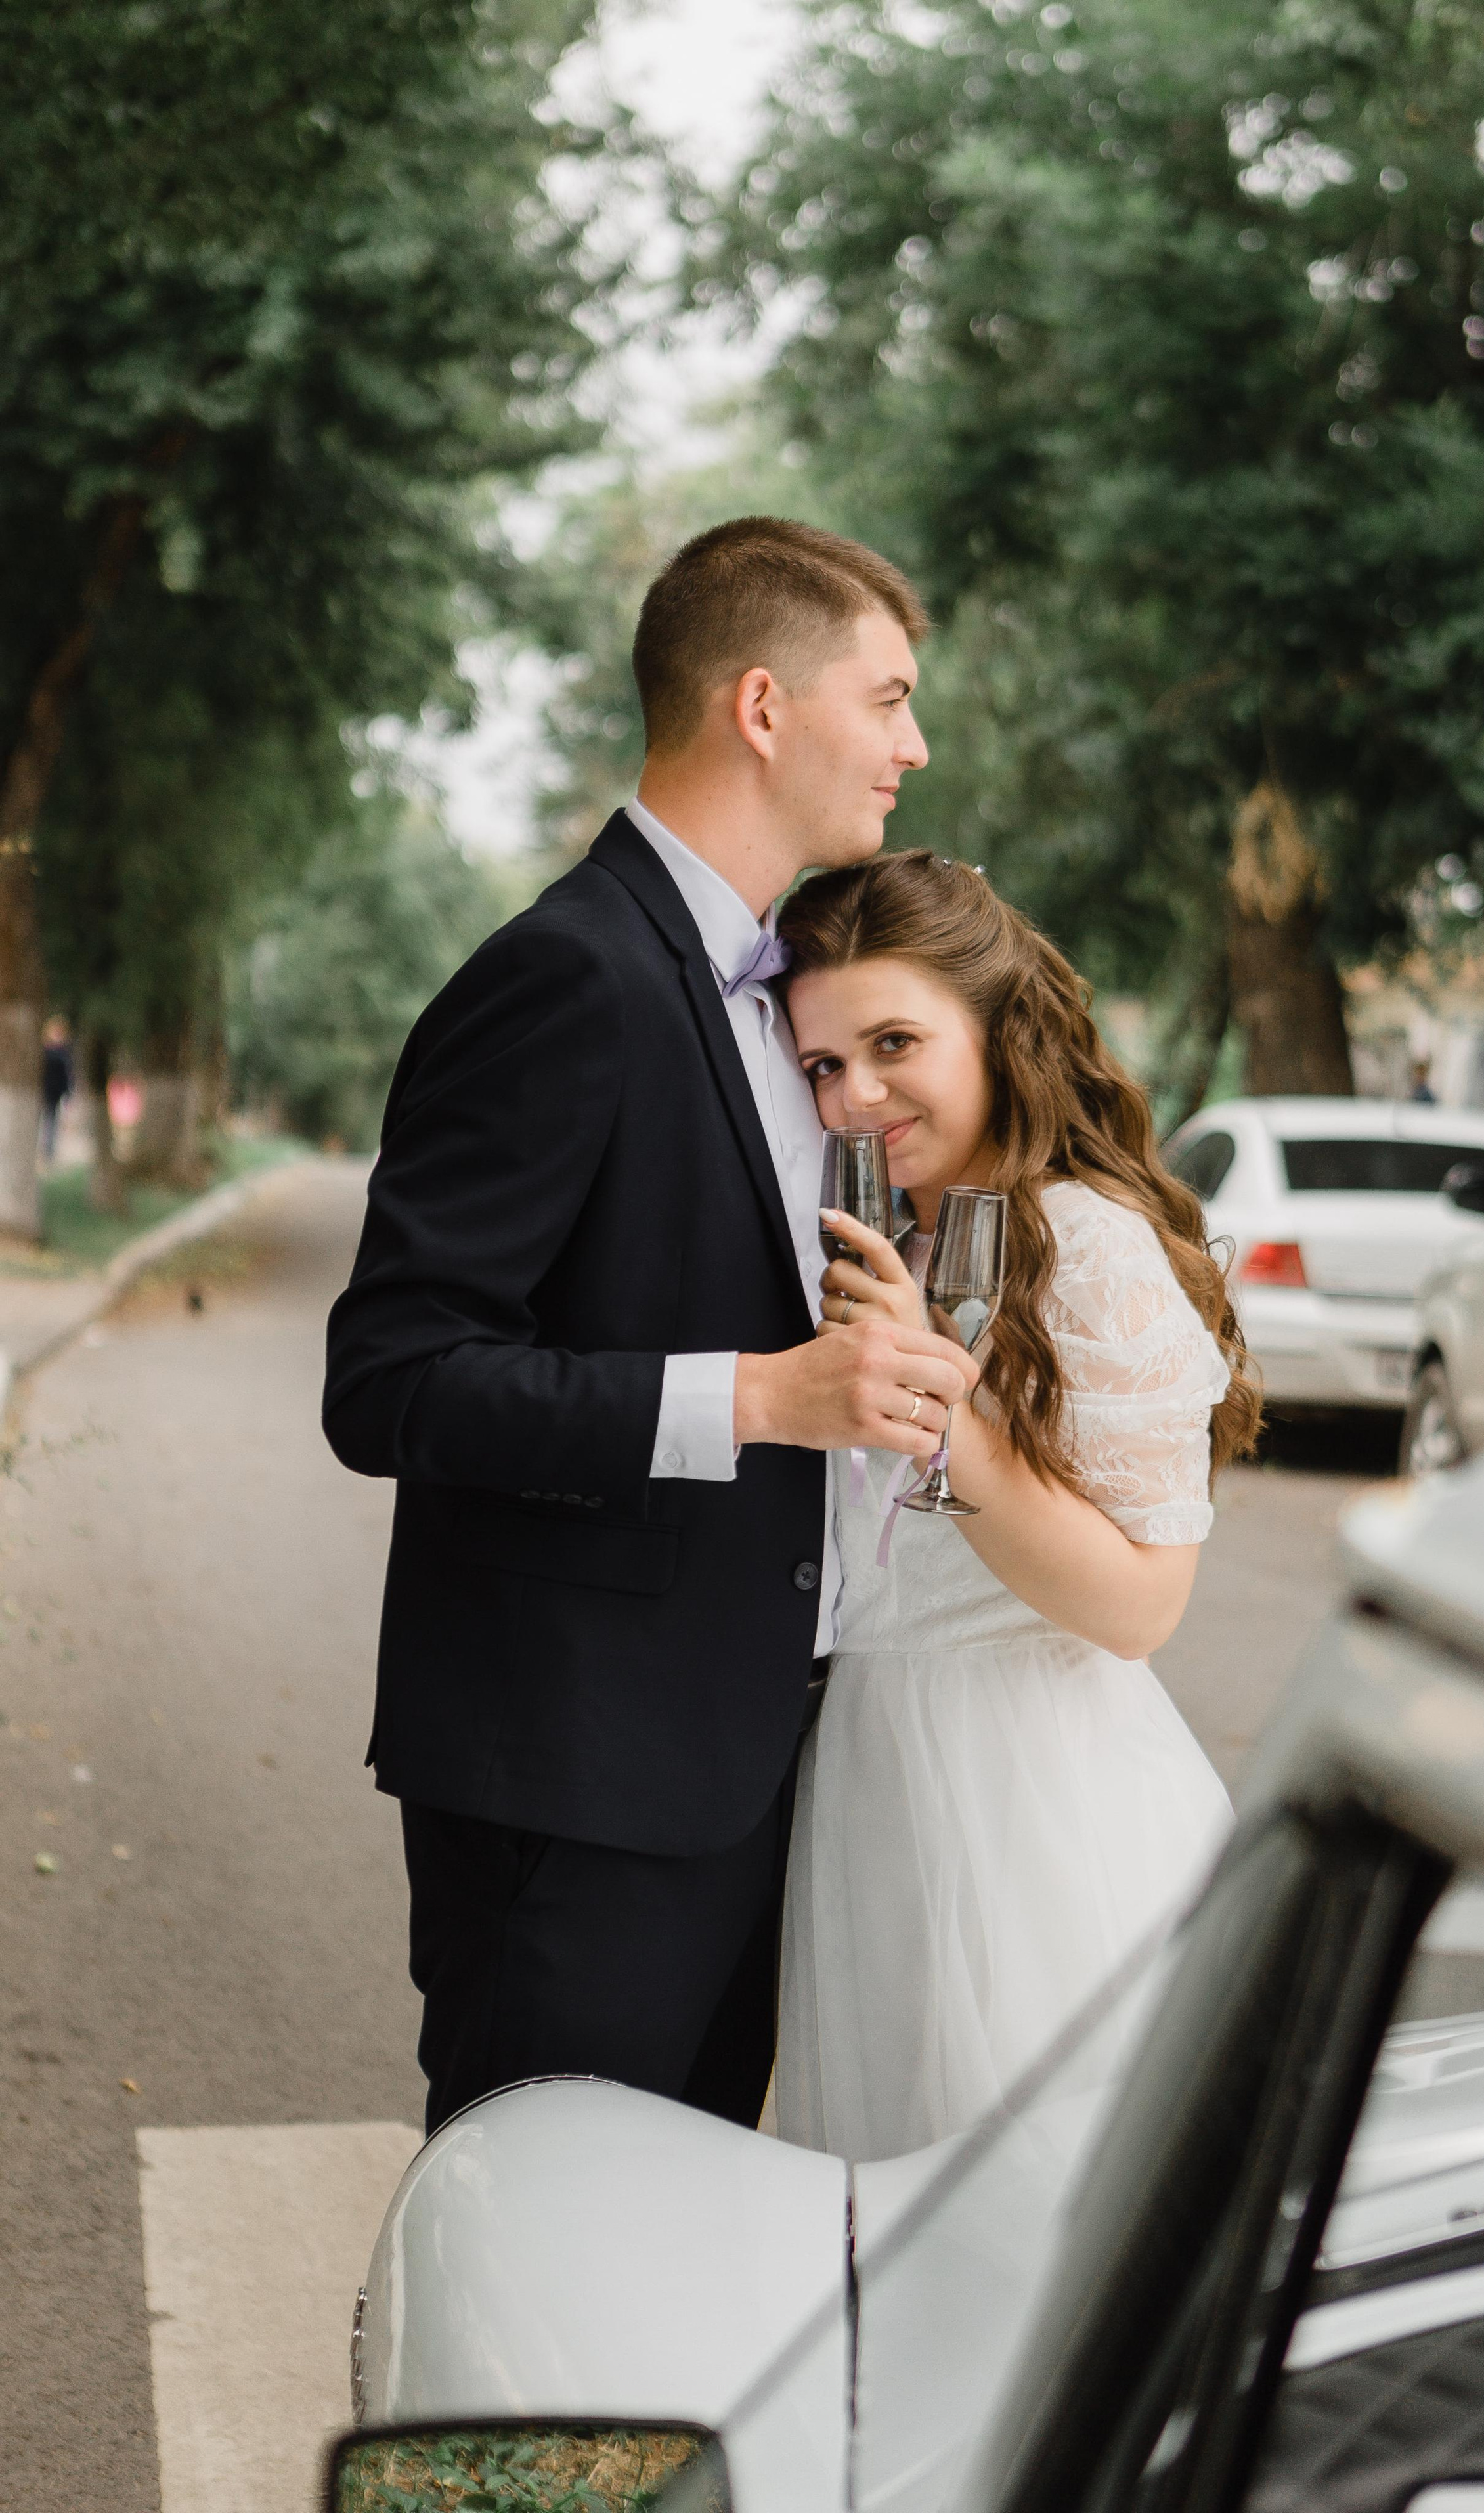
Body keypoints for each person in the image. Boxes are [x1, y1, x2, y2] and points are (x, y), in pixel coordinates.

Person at [322, 519, 977, 2138]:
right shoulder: (564, 973)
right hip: (573, 1788)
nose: (912, 742)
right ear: (762, 705)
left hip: (752, 1774)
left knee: (663, 2278)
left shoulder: (795, 996)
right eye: (885, 697)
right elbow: (393, 1379)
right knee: (532, 2281)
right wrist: (759, 1394)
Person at [772, 852, 1261, 2162]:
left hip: (1032, 1803)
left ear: (995, 1030)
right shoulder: (893, 1236)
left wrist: (958, 1430)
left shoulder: (1085, 1242)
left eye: (892, 1043)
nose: (856, 1093)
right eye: (823, 1063)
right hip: (875, 1780)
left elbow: (1139, 1603)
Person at [40, 1018, 74, 1160]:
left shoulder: (64, 1052)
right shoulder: (44, 1050)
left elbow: (66, 1074)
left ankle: (48, 1152)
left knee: (51, 1119)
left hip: (55, 1091)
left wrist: (67, 1091)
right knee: (45, 1120)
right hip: (43, 1090)